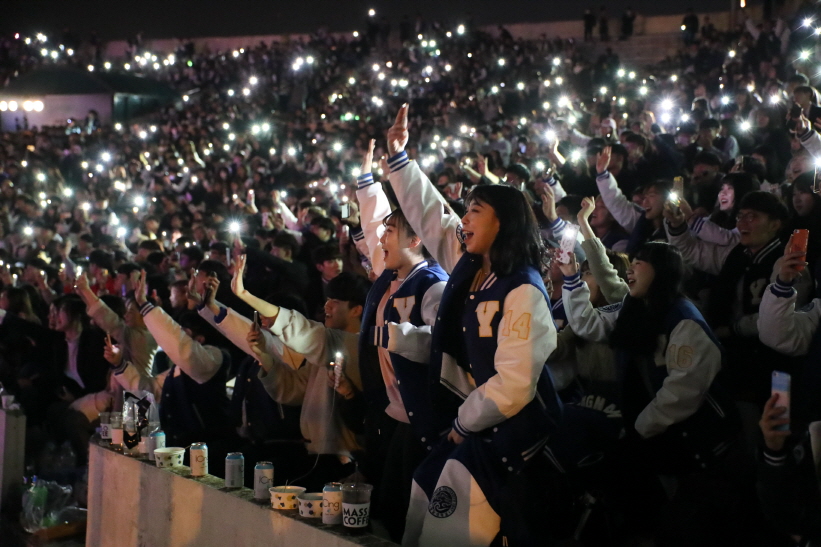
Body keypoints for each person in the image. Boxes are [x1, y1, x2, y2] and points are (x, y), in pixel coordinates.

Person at [387, 104, 562, 546]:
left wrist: (464, 422)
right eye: (465, 212)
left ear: (503, 223)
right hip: (479, 419)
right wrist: (399, 159)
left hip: (518, 425)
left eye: (474, 212)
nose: (463, 220)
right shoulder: (472, 269)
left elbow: (516, 385)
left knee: (455, 493)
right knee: (426, 481)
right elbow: (433, 219)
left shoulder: (522, 289)